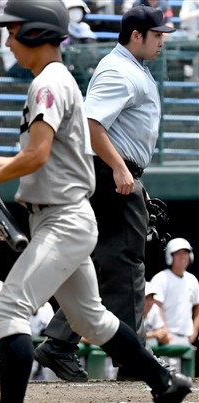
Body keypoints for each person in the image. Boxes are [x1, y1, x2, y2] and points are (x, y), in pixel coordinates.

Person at [0, 1, 192, 401]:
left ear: (35, 33)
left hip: (64, 219)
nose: (9, 40)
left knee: (9, 311)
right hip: (61, 215)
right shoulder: (51, 79)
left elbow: (35, 157)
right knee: (94, 319)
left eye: (14, 31)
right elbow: (42, 156)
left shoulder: (48, 84)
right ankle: (164, 383)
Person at [32, 5, 177, 382]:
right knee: (127, 263)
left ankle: (60, 343)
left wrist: (126, 172)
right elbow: (92, 123)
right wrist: (119, 167)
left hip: (116, 171)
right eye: (157, 34)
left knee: (101, 261)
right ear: (136, 35)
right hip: (108, 170)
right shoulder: (118, 69)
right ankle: (133, 359)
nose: (162, 40)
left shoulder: (133, 67)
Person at [150, 237, 199, 372]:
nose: (183, 257)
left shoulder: (192, 280)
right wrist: (164, 331)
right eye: (178, 254)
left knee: (187, 380)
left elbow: (197, 308)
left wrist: (194, 332)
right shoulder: (161, 278)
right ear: (170, 256)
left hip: (186, 340)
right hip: (165, 341)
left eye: (185, 253)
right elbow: (155, 307)